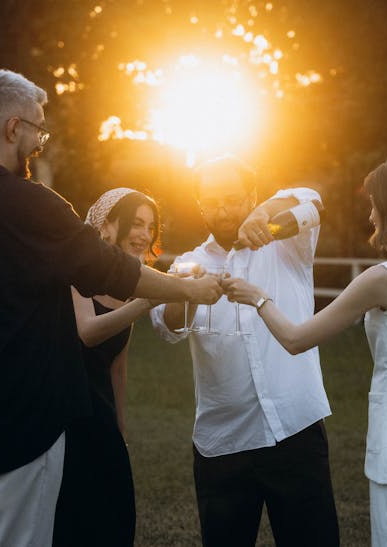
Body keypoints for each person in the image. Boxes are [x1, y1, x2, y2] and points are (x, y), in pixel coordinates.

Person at [0, 69, 222, 547]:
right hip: (25, 429)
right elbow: (112, 270)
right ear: (13, 129)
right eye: (38, 130)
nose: (39, 142)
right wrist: (187, 290)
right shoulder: (33, 206)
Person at [223, 155, 387, 547]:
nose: (371, 216)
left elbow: (296, 339)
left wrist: (257, 297)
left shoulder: (384, 278)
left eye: (374, 205)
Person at [150, 156, 340, 547]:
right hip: (224, 442)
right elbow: (165, 327)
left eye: (233, 198)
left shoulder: (287, 245)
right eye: (212, 201)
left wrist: (265, 211)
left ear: (250, 195)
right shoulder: (190, 263)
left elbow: (314, 201)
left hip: (295, 428)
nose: (222, 210)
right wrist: (186, 291)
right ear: (200, 204)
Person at [53, 187, 165, 546]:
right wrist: (145, 303)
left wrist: (120, 433)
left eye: (151, 227)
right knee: (70, 522)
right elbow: (88, 333)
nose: (145, 234)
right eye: (136, 223)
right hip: (61, 416)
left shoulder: (127, 286)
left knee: (114, 518)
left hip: (100, 418)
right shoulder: (76, 272)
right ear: (109, 225)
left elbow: (117, 365)